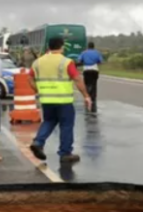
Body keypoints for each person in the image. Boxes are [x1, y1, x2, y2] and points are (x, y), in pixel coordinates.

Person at [29, 35, 93, 164]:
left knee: (48, 121)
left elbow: (29, 78)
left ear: (49, 47)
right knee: (66, 126)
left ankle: (38, 142)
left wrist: (37, 90)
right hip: (64, 101)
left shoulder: (37, 62)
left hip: (46, 100)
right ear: (62, 46)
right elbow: (77, 79)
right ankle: (65, 153)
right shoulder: (66, 62)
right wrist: (86, 96)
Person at [76, 41, 104, 113]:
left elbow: (79, 60)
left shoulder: (84, 52)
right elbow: (101, 61)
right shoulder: (97, 53)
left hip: (86, 70)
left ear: (88, 46)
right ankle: (93, 98)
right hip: (94, 70)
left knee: (87, 84)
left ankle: (87, 97)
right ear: (93, 46)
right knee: (94, 84)